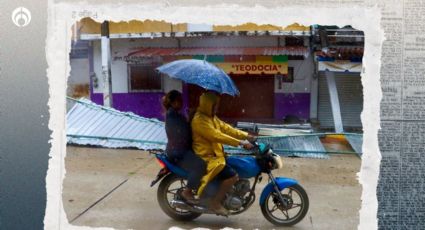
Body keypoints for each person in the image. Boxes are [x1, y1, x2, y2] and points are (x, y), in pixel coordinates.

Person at [191, 91, 255, 215]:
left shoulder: (211, 118)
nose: (217, 108)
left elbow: (226, 128)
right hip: (207, 157)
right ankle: (215, 203)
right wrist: (241, 143)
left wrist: (247, 136)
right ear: (207, 105)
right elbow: (217, 136)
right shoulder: (200, 120)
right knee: (233, 176)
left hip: (216, 155)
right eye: (215, 105)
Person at [162, 90, 206, 205]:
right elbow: (184, 133)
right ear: (172, 102)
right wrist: (191, 118)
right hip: (178, 152)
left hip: (178, 150)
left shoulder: (174, 114)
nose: (181, 103)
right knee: (201, 165)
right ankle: (187, 191)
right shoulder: (173, 116)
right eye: (179, 101)